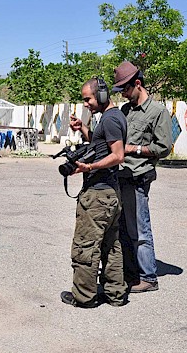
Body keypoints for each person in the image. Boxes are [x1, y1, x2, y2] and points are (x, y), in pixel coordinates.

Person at [60, 78, 128, 308]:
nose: (86, 104)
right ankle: (115, 294)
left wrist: (88, 167)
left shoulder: (110, 120)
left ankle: (84, 297)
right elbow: (101, 148)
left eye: (88, 99)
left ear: (100, 95)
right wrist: (84, 130)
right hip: (109, 192)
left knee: (85, 245)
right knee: (111, 245)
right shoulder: (112, 117)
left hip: (98, 195)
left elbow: (118, 155)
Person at [111, 61, 173, 293]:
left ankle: (149, 277)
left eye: (125, 89)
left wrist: (133, 149)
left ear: (137, 84)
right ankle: (131, 273)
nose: (123, 94)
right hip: (122, 175)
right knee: (124, 229)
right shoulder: (126, 111)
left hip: (139, 176)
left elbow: (164, 147)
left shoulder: (158, 111)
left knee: (140, 229)